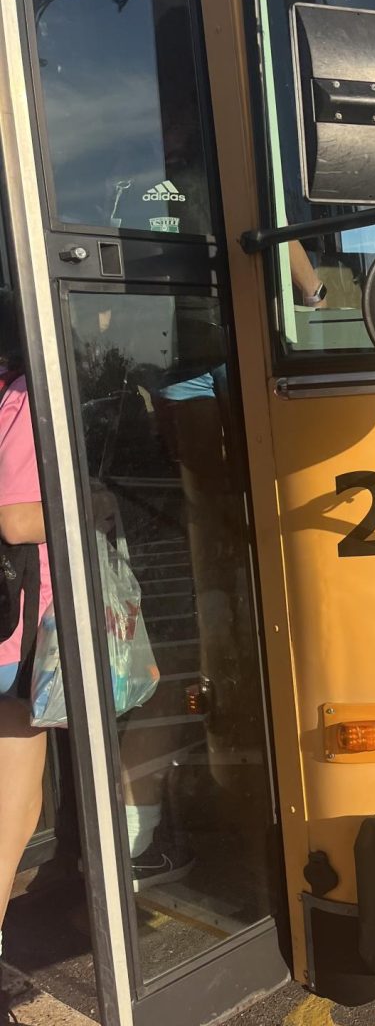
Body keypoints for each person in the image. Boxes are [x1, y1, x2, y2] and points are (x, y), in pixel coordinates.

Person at [0, 290, 51, 985]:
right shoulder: (17, 402)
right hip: (10, 637)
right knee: (17, 783)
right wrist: (89, 499)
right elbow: (18, 520)